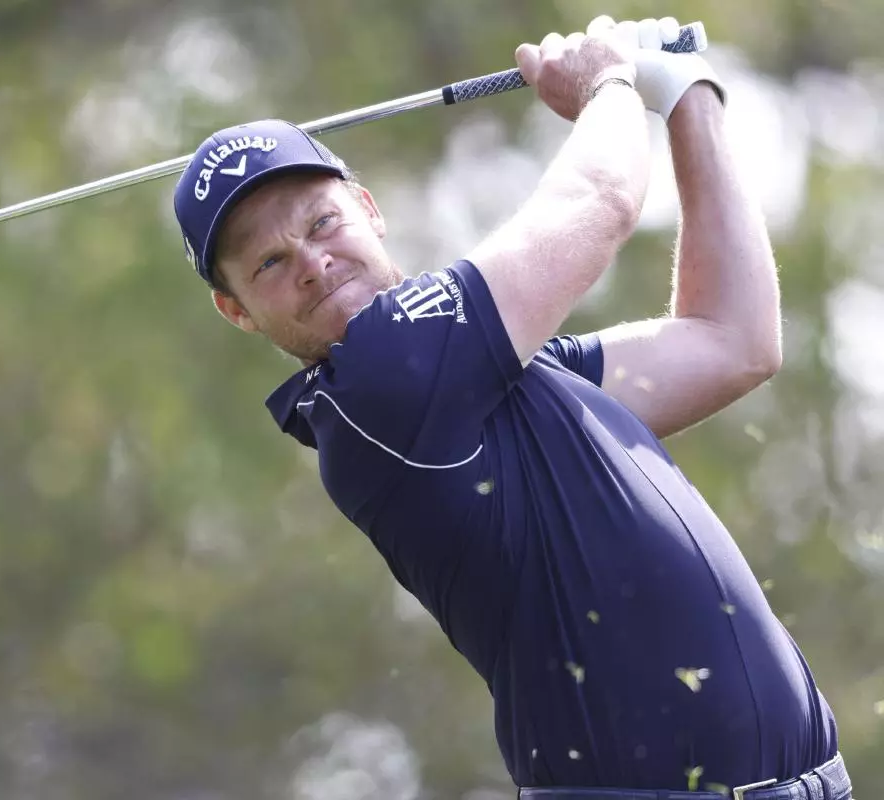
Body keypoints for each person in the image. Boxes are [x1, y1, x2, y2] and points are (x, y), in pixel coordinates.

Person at [172, 15, 851, 800]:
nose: (314, 263)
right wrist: (608, 82)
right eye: (269, 262)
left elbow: (734, 341)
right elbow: (599, 200)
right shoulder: (382, 387)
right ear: (238, 311)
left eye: (323, 222)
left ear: (368, 207)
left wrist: (687, 94)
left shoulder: (496, 379)